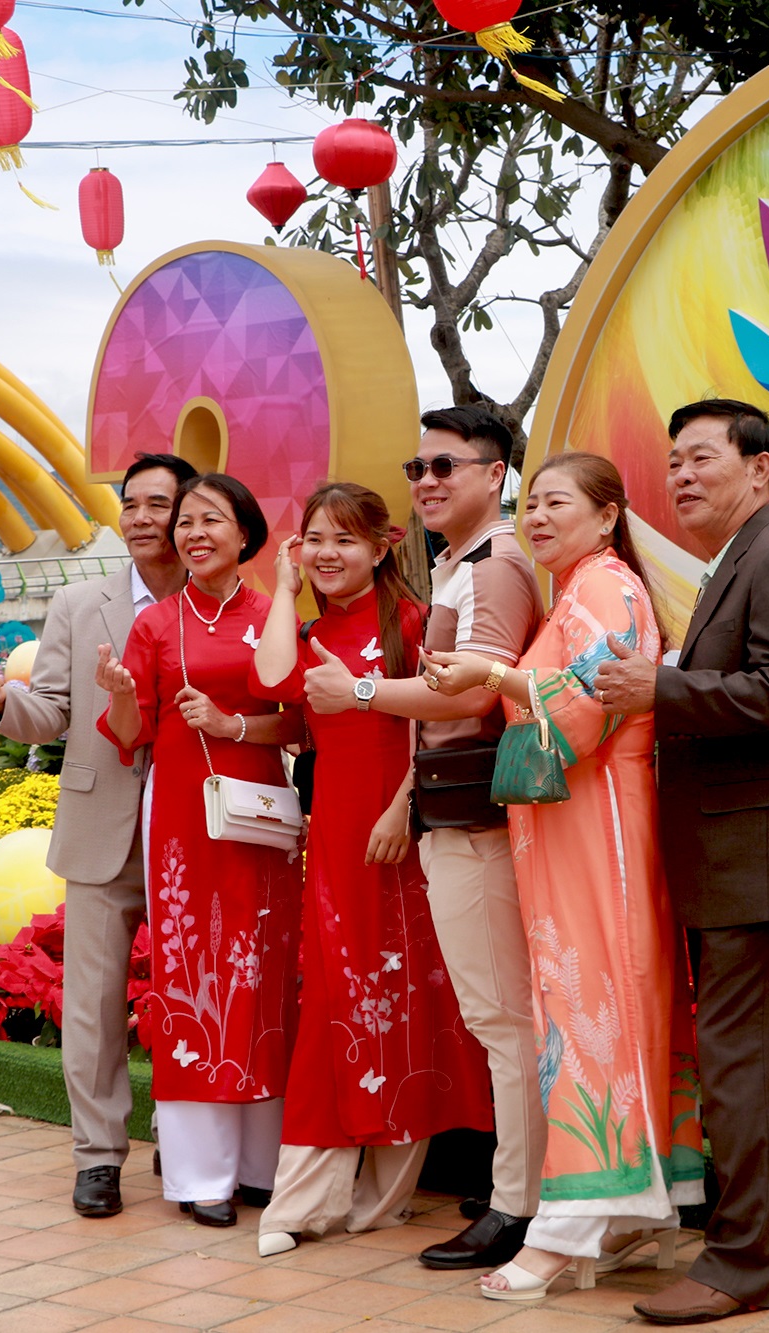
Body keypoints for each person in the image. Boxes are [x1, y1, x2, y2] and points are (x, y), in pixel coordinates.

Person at [594, 400, 769, 1325]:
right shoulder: (737, 563)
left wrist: (661, 688)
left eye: (699, 457)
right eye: (671, 460)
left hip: (765, 854)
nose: (678, 475)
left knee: (741, 1066)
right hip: (745, 855)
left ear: (759, 468)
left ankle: (736, 1265)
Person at [425, 452, 705, 1302]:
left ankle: (567, 1227)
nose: (538, 517)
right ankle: (627, 1217)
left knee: (593, 1008)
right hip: (576, 828)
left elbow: (586, 706)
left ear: (607, 513)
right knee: (591, 1004)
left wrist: (493, 674)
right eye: (532, 504)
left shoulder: (604, 587)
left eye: (556, 503)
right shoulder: (579, 587)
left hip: (599, 829)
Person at [300, 405, 548, 1272]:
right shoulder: (457, 566)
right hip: (453, 809)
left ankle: (518, 1205)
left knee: (502, 1018)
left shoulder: (493, 565)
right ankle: (514, 1193)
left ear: (496, 474)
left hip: (477, 811)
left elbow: (470, 696)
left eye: (448, 465)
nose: (429, 480)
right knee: (496, 1016)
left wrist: (361, 695)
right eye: (418, 467)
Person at [249, 482, 493, 1256]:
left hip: (404, 838)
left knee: (408, 1005)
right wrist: (284, 591)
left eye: (345, 540)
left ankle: (382, 1195)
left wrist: (403, 806)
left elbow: (451, 719)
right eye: (314, 538)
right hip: (337, 848)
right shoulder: (315, 627)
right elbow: (269, 679)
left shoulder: (414, 624)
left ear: (383, 546)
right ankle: (308, 1196)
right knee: (335, 1001)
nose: (327, 552)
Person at [0, 453, 196, 1217]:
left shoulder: (218, 600)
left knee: (193, 990)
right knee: (93, 1004)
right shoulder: (77, 602)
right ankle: (98, 1156)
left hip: (197, 830)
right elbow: (51, 713)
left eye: (159, 503)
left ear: (189, 514)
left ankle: (189, 1140)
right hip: (102, 831)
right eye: (130, 503)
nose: (140, 517)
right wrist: (0, 702)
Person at [96, 472, 302, 1227]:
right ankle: (199, 1173)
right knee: (197, 972)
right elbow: (131, 734)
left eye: (211, 519)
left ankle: (259, 1165)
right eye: (186, 521)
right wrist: (119, 690)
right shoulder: (156, 625)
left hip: (264, 817)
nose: (193, 533)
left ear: (246, 533)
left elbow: (302, 719)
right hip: (184, 815)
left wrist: (233, 724)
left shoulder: (272, 612)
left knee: (264, 973)